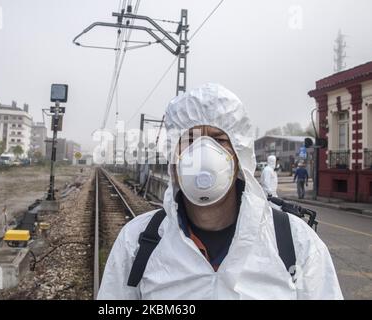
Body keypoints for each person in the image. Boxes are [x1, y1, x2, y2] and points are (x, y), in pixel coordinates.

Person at [97, 83, 342, 300]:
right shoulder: (137, 242)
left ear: (239, 154)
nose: (204, 153)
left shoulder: (296, 242)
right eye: (190, 140)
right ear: (174, 156)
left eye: (219, 140)